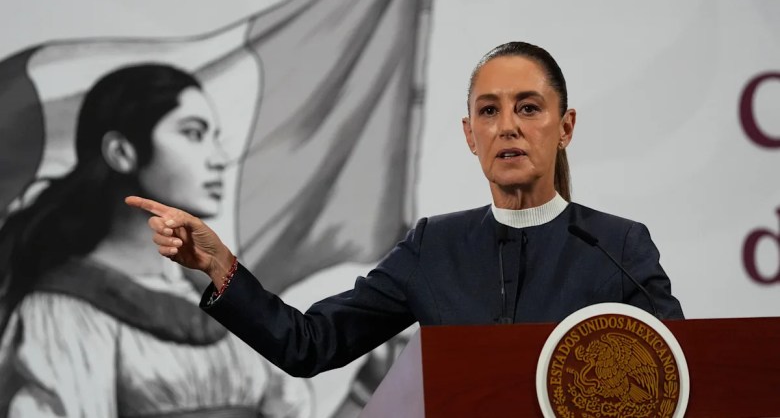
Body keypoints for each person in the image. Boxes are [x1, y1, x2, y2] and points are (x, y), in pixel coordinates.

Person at [126, 41, 684, 379]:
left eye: (529, 108)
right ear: (470, 134)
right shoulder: (434, 248)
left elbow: (682, 376)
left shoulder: (618, 246)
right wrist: (221, 268)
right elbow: (310, 344)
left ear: (565, 127)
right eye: (489, 111)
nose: (507, 126)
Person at [0, 64, 311, 417]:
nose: (219, 159)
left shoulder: (224, 300)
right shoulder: (65, 312)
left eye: (214, 137)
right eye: (193, 134)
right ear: (122, 152)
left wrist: (362, 394)